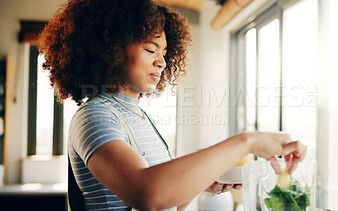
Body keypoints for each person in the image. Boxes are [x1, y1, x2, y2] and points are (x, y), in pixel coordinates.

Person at [39, 0, 307, 210]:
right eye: (150, 49)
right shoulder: (95, 115)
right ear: (112, 50)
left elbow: (165, 204)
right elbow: (148, 194)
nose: (162, 62)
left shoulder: (138, 116)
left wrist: (204, 182)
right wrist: (247, 141)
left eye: (165, 53)